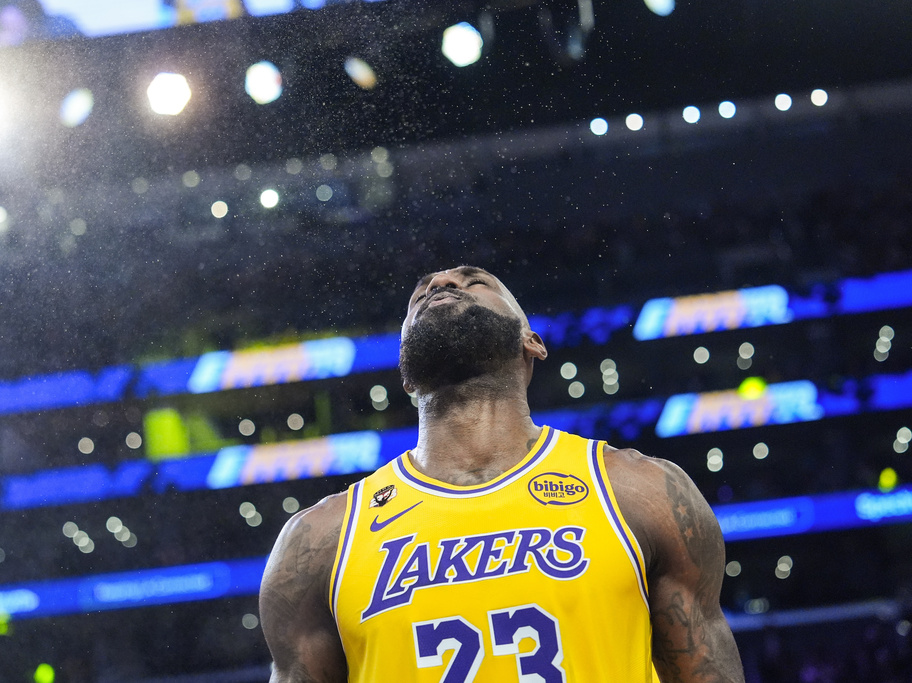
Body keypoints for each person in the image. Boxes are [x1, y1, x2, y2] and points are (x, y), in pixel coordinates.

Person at [260, 265, 744, 682]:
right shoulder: (321, 539)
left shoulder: (641, 491)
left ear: (531, 342)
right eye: (421, 293)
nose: (444, 281)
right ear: (405, 375)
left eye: (475, 281)